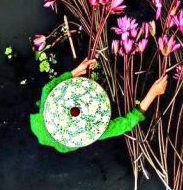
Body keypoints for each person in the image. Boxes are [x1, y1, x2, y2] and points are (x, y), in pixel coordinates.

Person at [30, 56, 168, 153]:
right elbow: (125, 123)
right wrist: (152, 93)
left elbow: (48, 88)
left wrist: (75, 71)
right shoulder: (95, 129)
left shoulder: (49, 106)